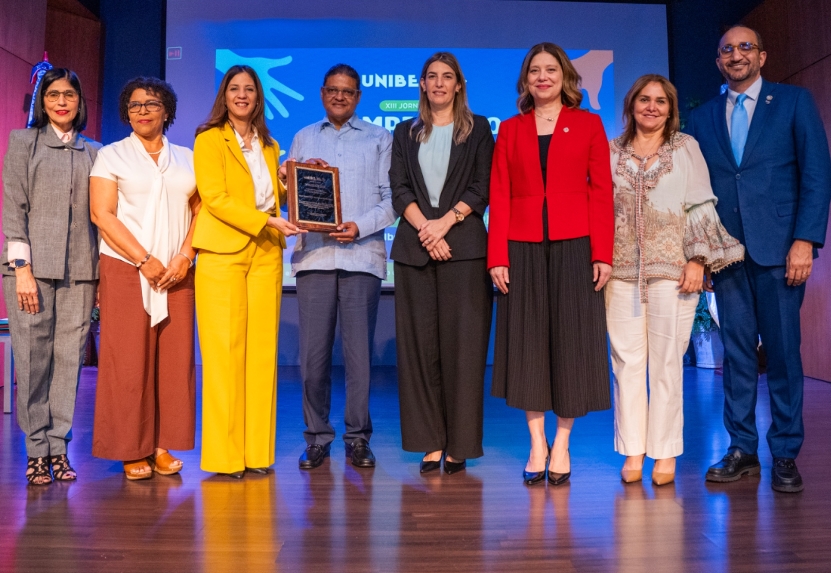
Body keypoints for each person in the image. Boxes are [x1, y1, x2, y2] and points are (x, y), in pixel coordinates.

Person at [686, 25, 831, 493]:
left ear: (762, 56)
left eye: (745, 47)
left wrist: (805, 239)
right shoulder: (703, 117)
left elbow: (816, 174)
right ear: (718, 61)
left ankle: (785, 452)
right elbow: (696, 192)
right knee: (736, 355)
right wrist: (703, 253)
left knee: (784, 355)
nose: (736, 55)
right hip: (726, 256)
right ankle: (742, 449)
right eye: (727, 49)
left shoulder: (793, 102)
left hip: (781, 251)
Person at [607, 74, 744, 486]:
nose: (652, 107)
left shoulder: (685, 148)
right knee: (626, 364)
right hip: (620, 273)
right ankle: (633, 450)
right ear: (631, 105)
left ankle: (664, 452)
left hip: (674, 273)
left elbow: (700, 203)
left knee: (667, 364)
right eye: (644, 99)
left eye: (661, 101)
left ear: (671, 110)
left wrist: (698, 260)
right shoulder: (611, 151)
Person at [488, 43, 614, 486]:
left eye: (551, 70)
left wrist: (602, 252)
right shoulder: (510, 129)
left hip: (575, 246)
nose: (543, 77)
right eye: (535, 71)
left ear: (565, 77)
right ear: (525, 80)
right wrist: (497, 256)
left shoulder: (589, 124)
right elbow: (500, 193)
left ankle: (562, 443)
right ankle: (536, 443)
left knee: (571, 344)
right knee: (527, 345)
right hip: (521, 247)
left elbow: (601, 191)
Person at [280, 64, 396, 470]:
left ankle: (358, 438)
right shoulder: (303, 137)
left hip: (361, 257)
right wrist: (288, 180)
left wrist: (359, 226)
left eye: (347, 91)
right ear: (322, 93)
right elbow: (289, 203)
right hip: (314, 257)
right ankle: (316, 437)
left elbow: (392, 199)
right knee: (312, 359)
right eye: (333, 89)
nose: (340, 96)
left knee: (359, 358)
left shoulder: (380, 138)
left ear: (358, 96)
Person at [194, 65, 303, 478]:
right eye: (235, 88)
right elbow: (215, 198)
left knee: (261, 356)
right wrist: (267, 221)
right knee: (224, 356)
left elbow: (273, 199)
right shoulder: (209, 138)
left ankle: (257, 454)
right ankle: (225, 458)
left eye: (250, 90)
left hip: (266, 253)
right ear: (225, 95)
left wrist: (287, 182)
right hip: (223, 252)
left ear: (258, 97)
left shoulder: (270, 144)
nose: (242, 95)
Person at [90, 77, 199, 480]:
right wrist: (144, 260)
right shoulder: (111, 155)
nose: (142, 111)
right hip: (125, 267)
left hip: (177, 271)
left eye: (151, 104)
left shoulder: (187, 158)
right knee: (127, 361)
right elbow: (102, 214)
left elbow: (201, 212)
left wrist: (185, 256)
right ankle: (130, 447)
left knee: (174, 361)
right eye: (134, 105)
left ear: (166, 110)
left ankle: (161, 445)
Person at [390, 52, 494, 475]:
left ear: (458, 85)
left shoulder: (479, 128)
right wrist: (426, 230)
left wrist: (445, 224)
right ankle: (430, 442)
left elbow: (482, 186)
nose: (438, 83)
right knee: (419, 351)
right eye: (431, 76)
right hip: (414, 251)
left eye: (446, 77)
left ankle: (460, 444)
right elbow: (399, 188)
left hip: (464, 251)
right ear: (422, 84)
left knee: (463, 352)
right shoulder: (404, 131)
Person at [2, 68, 100, 485]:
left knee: (68, 362)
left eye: (69, 95)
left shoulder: (94, 151)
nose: (62, 102)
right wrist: (21, 269)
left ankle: (59, 447)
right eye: (53, 94)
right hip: (31, 272)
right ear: (42, 101)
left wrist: (101, 278)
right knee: (32, 359)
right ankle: (36, 450)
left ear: (80, 102)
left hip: (81, 272)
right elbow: (13, 208)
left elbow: (102, 216)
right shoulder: (23, 142)